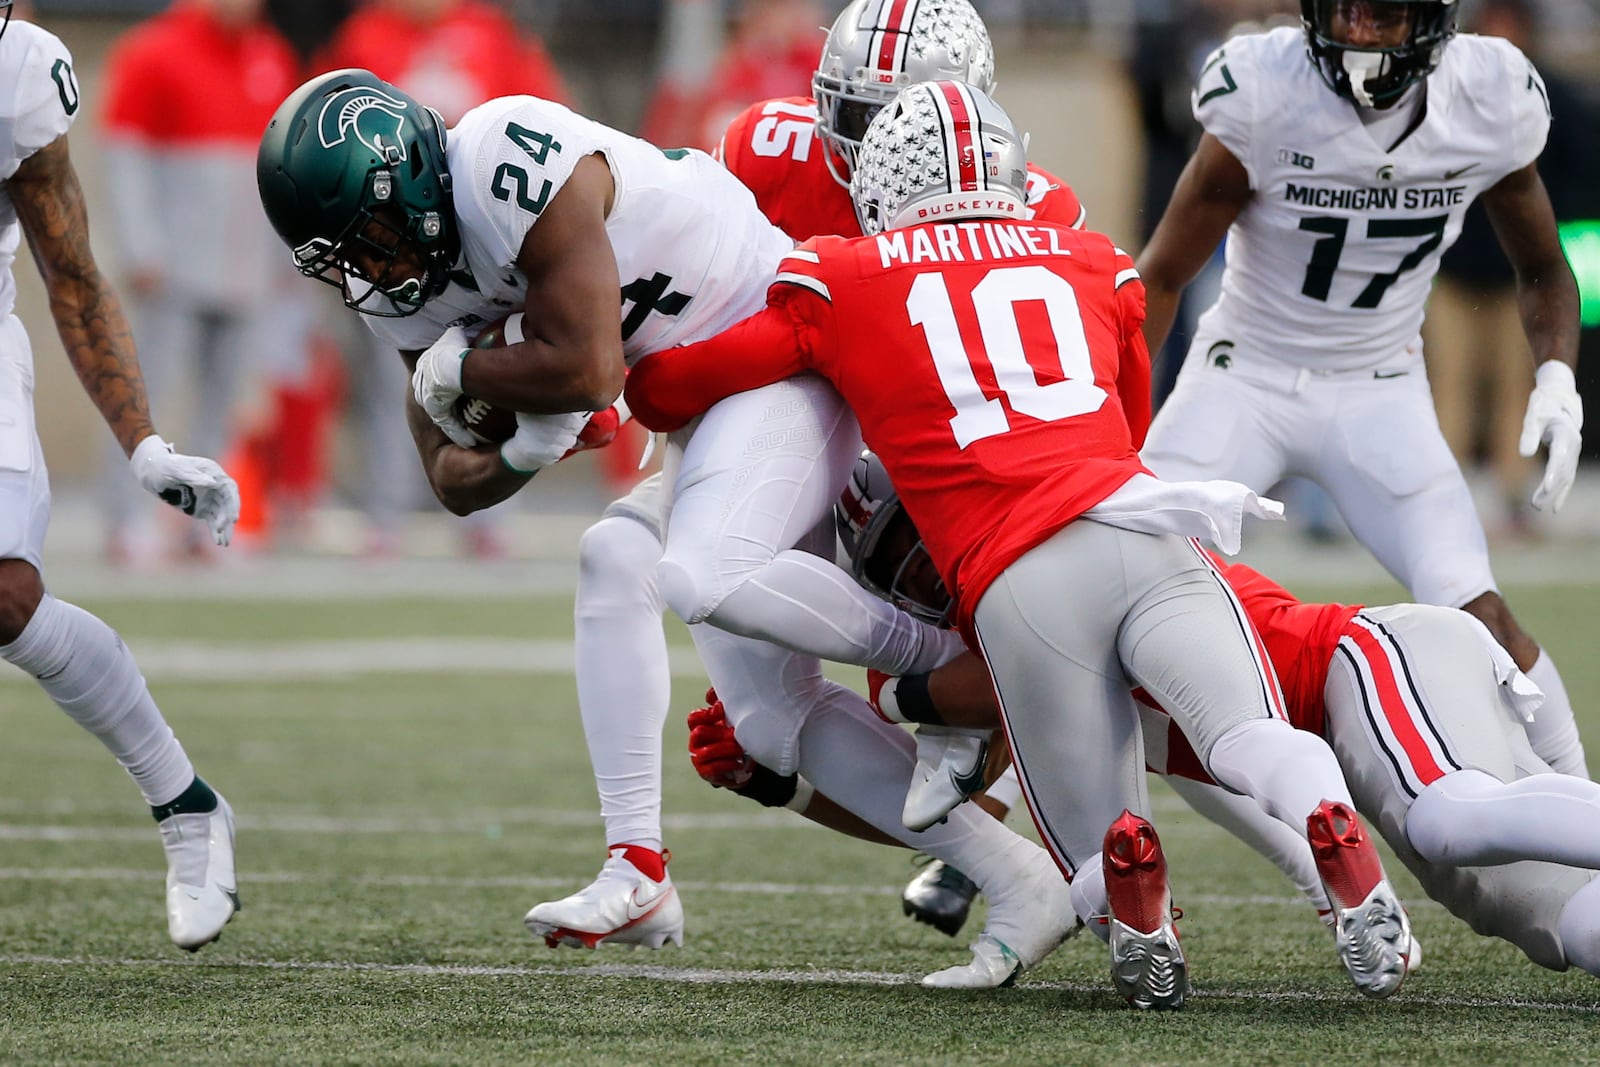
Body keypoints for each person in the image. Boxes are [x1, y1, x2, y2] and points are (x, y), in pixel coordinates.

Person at [256, 67, 1080, 988]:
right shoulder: (401, 294)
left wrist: (471, 374)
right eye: (341, 258)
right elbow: (451, 479)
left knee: (704, 574)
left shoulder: (500, 153)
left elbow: (584, 367)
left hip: (779, 346)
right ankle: (659, 870)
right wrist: (525, 446)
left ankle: (961, 662)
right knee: (750, 701)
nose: (368, 271)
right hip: (703, 407)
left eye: (367, 239)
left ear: (406, 178)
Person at [624, 78, 1416, 1008]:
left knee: (1089, 821)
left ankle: (1136, 907)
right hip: (1146, 527)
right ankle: (1327, 819)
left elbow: (667, 390)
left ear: (877, 173)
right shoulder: (1093, 259)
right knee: (1247, 734)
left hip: (1022, 577)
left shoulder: (843, 277)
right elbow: (1126, 425)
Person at [706, 450, 1600, 979]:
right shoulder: (958, 643)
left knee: (1450, 818)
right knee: (1566, 931)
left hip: (1362, 664)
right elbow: (960, 823)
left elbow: (987, 688)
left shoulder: (1038, 564)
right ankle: (1149, 920)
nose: (931, 570)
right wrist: (787, 786)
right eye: (901, 561)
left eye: (927, 534)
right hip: (1338, 731)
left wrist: (902, 693)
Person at [1134, 1, 1587, 782]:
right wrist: (1111, 422)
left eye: (1381, 13)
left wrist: (1556, 375)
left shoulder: (1489, 96)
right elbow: (1165, 275)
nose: (1359, 34)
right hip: (1246, 374)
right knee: (1119, 581)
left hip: (1380, 385)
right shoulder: (1267, 87)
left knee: (1475, 610)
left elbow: (1544, 266)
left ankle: (1583, 802)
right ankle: (998, 832)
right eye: (1341, 10)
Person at [715, 0, 1090, 938]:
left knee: (1036, 656)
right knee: (759, 719)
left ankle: (1004, 825)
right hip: (782, 423)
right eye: (860, 114)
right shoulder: (766, 151)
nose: (881, 145)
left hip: (931, 455)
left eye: (905, 118)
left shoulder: (1034, 202)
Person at [0, 8, 242, 949]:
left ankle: (187, 804)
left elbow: (70, 271)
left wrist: (143, 442)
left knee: (9, 597)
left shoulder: (20, 70)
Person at [313, 0, 571, 557]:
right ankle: (388, 511)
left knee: (497, 368)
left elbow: (550, 120)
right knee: (395, 381)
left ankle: (489, 514)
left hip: (483, 241)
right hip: (393, 242)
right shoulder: (364, 36)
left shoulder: (491, 32)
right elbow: (326, 142)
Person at [97, 0, 308, 563]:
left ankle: (207, 523)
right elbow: (126, 156)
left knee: (227, 403)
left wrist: (286, 257)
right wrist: (142, 245)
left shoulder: (271, 55)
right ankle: (128, 519)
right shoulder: (154, 50)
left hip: (244, 267)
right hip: (173, 266)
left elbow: (283, 165)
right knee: (149, 398)